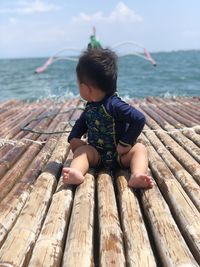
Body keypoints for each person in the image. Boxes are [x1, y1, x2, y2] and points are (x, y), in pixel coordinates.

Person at [63, 48, 154, 189]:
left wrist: (125, 143)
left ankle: (137, 174)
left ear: (85, 88)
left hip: (120, 155)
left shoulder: (115, 104)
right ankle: (76, 172)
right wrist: (74, 137)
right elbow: (82, 122)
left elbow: (139, 119)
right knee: (82, 151)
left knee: (140, 149)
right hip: (96, 154)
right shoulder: (90, 106)